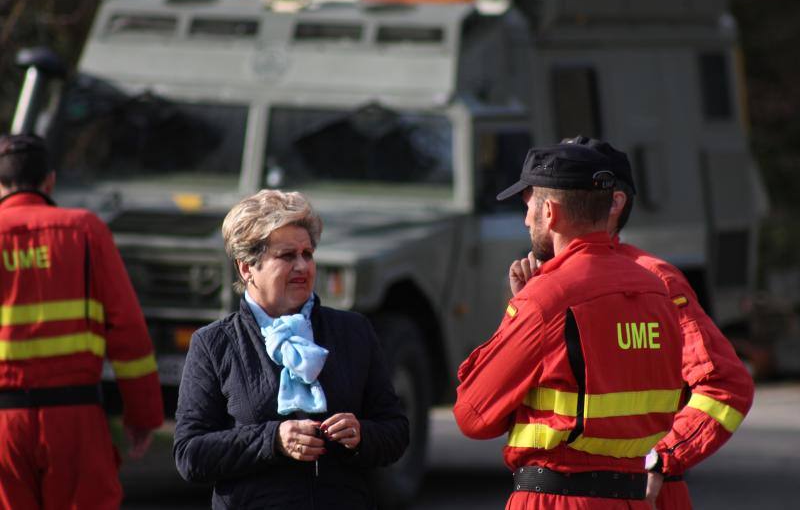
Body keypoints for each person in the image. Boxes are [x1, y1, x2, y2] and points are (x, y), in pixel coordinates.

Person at [509, 136, 755, 509]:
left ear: (614, 203)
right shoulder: (544, 286)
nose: (535, 210)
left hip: (637, 495)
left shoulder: (653, 282)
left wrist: (661, 458)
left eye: (562, 190)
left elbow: (725, 385)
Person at [454, 141, 684, 509]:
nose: (526, 218)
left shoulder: (546, 298)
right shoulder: (656, 291)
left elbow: (473, 415)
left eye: (528, 205)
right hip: (632, 500)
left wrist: (520, 311)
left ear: (549, 211)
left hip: (555, 499)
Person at [173, 189, 409, 509]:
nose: (302, 266)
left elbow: (395, 431)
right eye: (287, 256)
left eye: (307, 254)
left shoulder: (353, 331)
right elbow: (190, 455)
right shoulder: (215, 343)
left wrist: (361, 434)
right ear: (246, 268)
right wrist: (273, 440)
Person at [0, 133, 163, 509]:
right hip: (74, 420)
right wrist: (142, 415)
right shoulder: (84, 230)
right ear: (50, 180)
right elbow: (127, 330)